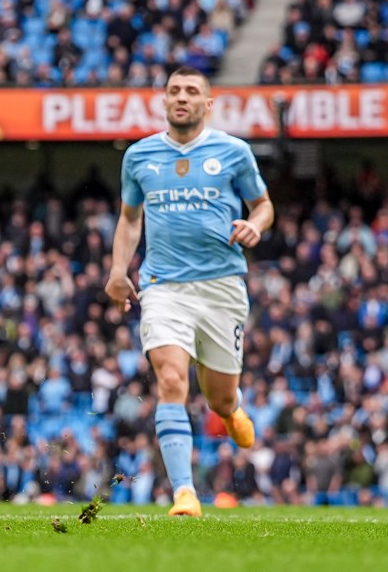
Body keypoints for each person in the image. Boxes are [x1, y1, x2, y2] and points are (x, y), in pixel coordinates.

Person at [106, 66, 274, 518]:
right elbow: (129, 218)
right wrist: (119, 270)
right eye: (174, 90)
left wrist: (255, 225)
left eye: (192, 91)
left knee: (218, 397)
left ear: (207, 103)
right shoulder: (140, 156)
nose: (182, 97)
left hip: (221, 287)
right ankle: (185, 493)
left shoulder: (234, 152)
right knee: (172, 380)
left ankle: (232, 409)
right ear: (163, 100)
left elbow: (263, 205)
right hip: (163, 286)